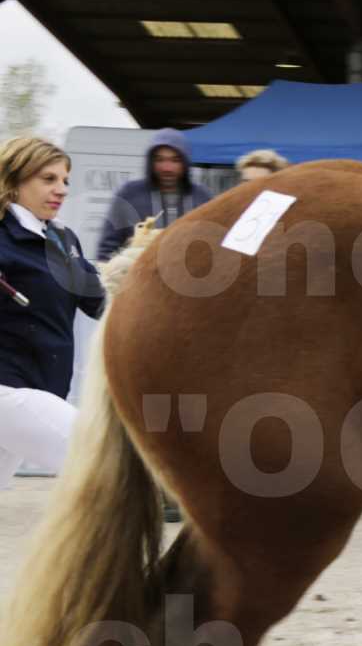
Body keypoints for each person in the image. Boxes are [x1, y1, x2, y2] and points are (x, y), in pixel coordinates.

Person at [0, 137, 104, 490]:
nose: (61, 189)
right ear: (14, 181)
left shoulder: (62, 240)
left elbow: (99, 301)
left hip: (42, 388)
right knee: (103, 461)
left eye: (65, 181)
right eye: (48, 179)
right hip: (10, 389)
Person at [97, 128, 213, 260]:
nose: (167, 168)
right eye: (160, 159)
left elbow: (215, 245)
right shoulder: (130, 194)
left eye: (175, 160)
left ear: (185, 163)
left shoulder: (202, 197)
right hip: (137, 277)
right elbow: (107, 249)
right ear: (150, 162)